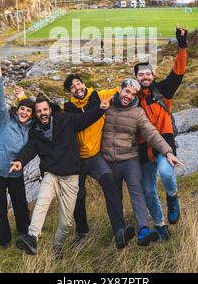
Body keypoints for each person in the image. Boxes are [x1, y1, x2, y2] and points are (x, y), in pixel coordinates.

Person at [10, 93, 120, 256]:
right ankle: (32, 238)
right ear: (36, 114)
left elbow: (85, 119)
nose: (43, 113)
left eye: (45, 109)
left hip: (70, 176)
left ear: (50, 110)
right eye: (39, 111)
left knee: (67, 222)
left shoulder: (65, 120)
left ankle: (58, 246)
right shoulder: (35, 130)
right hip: (51, 174)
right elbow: (30, 148)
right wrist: (20, 161)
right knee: (42, 201)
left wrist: (100, 109)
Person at [101, 78, 183, 246]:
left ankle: (143, 231)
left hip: (130, 159)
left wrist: (167, 152)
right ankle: (120, 233)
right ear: (120, 90)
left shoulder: (138, 112)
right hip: (109, 161)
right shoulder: (106, 107)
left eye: (133, 94)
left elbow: (151, 133)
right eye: (127, 91)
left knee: (137, 192)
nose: (129, 96)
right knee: (114, 199)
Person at [63, 74, 135, 249]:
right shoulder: (67, 108)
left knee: (110, 182)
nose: (77, 88)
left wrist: (136, 80)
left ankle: (119, 231)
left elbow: (121, 89)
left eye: (78, 83)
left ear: (83, 83)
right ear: (69, 92)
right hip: (77, 160)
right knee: (78, 195)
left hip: (96, 157)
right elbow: (49, 113)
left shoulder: (98, 95)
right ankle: (82, 233)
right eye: (72, 87)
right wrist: (22, 97)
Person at [134, 26, 187, 238]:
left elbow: (178, 72)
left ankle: (172, 198)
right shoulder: (132, 98)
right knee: (148, 190)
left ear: (153, 75)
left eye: (147, 73)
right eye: (140, 74)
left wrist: (182, 46)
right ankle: (160, 225)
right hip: (142, 148)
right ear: (136, 78)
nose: (145, 77)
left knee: (166, 173)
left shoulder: (163, 90)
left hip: (165, 143)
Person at [0, 61, 34, 249]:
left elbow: (38, 109)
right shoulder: (6, 120)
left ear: (31, 115)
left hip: (15, 173)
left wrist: (24, 97)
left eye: (28, 111)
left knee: (21, 204)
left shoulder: (31, 129)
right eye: (22, 108)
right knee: (0, 207)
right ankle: (3, 240)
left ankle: (24, 232)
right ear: (18, 109)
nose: (24, 112)